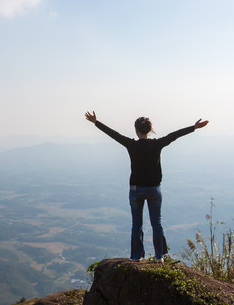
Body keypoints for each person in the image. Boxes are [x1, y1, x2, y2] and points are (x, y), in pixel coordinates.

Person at [84, 111, 208, 262]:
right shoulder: (157, 144)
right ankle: (159, 256)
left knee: (137, 224)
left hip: (136, 189)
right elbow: (174, 135)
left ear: (136, 130)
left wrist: (96, 122)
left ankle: (136, 257)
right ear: (150, 130)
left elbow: (114, 134)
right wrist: (193, 127)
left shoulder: (131, 144)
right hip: (154, 189)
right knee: (157, 223)